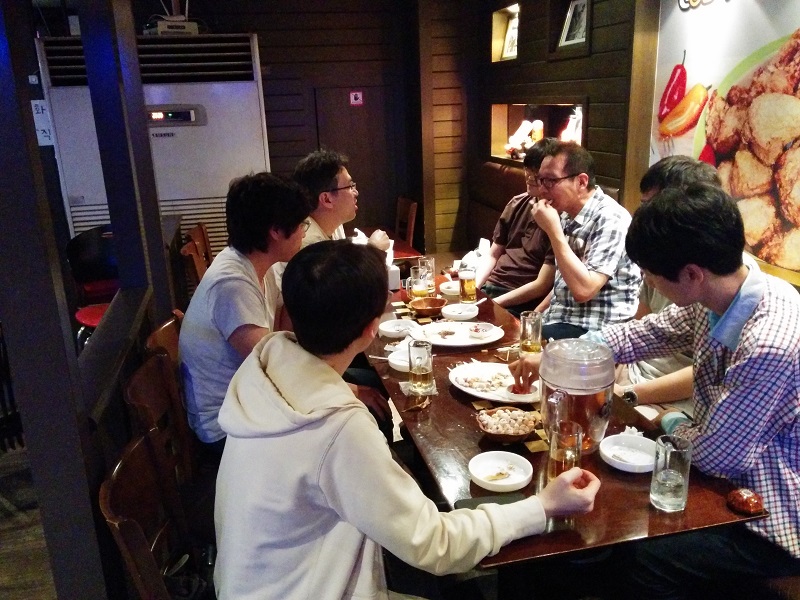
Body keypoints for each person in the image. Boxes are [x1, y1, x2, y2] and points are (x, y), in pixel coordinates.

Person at [213, 240, 601, 600]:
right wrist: (542, 506)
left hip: (249, 583)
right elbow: (435, 544)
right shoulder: (338, 428)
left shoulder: (265, 370)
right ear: (372, 329)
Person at [512, 184, 800, 598]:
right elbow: (644, 334)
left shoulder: (768, 342)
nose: (645, 280)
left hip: (765, 514)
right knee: (592, 528)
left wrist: (672, 421)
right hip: (715, 476)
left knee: (635, 556)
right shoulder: (722, 291)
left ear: (692, 274)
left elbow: (719, 456)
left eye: (650, 273)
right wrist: (562, 354)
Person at [178, 172, 311, 455]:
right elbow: (272, 365)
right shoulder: (232, 284)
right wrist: (344, 387)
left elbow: (280, 336)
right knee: (341, 421)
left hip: (251, 401)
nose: (304, 233)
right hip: (225, 428)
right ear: (276, 231)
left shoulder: (264, 265)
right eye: (301, 224)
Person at [614, 155, 722, 408]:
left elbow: (706, 374)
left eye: (652, 207)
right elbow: (642, 329)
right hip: (636, 377)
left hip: (673, 400)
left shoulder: (714, 279)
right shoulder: (661, 258)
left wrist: (628, 394)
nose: (641, 216)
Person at [265, 148, 389, 329]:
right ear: (327, 199)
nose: (356, 192)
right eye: (350, 186)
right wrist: (373, 251)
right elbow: (341, 297)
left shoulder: (333, 224)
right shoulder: (307, 243)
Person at [531, 141, 641, 340]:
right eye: (540, 180)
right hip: (561, 320)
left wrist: (553, 231)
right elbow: (563, 285)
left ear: (581, 182)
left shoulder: (610, 218)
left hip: (595, 329)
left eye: (550, 181)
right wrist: (535, 316)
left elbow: (584, 290)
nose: (542, 190)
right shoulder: (566, 215)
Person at [475, 137, 559, 317]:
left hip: (520, 300)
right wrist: (474, 289)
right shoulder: (517, 203)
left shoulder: (558, 219)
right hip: (491, 287)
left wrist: (493, 304)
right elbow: (493, 254)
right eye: (527, 170)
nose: (529, 177)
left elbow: (542, 285)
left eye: (536, 173)